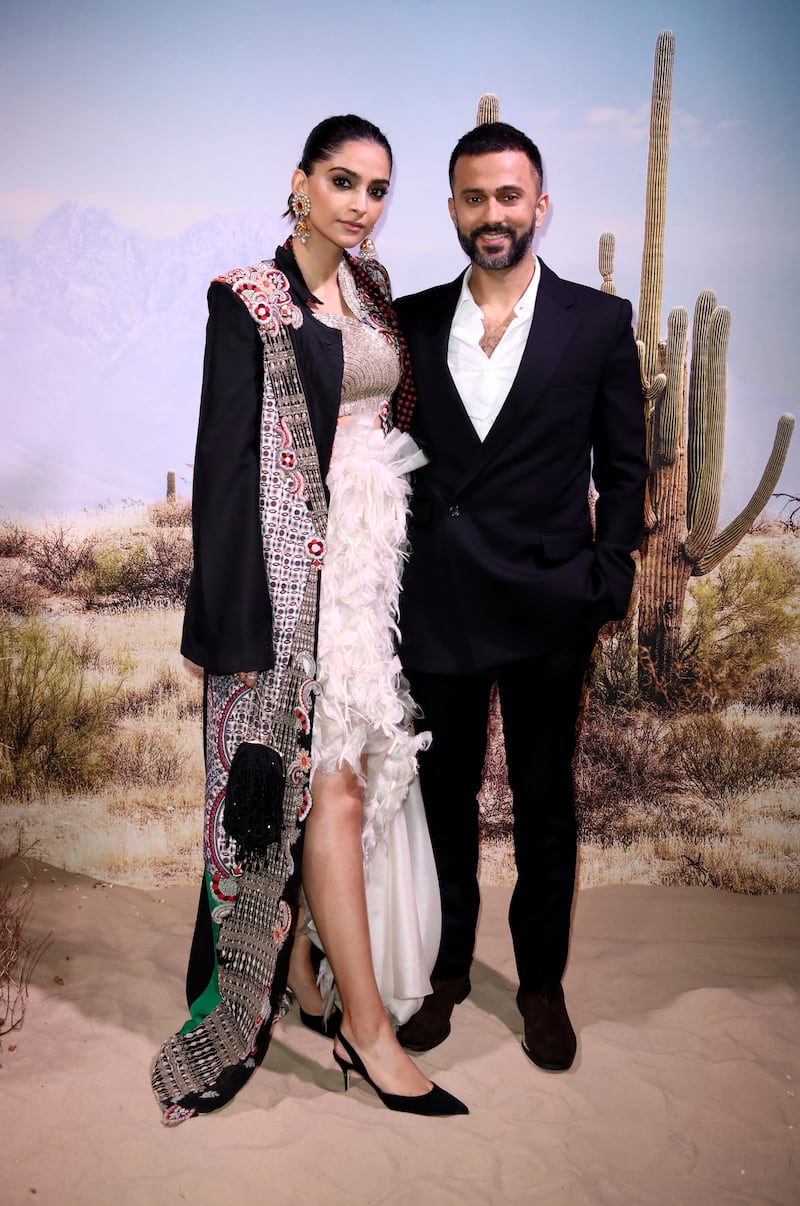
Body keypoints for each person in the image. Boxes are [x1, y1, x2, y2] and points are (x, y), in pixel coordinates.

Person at [151, 115, 467, 1124]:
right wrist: (243, 634)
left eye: (376, 188)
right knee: (320, 795)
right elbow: (223, 471)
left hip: (369, 577)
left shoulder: (369, 292)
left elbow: (398, 424)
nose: (360, 204)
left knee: (347, 787)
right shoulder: (247, 300)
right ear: (298, 182)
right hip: (293, 595)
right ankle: (364, 1032)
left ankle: (303, 974)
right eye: (341, 181)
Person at [392, 121, 648, 1071]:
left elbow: (627, 466)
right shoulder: (411, 323)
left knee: (544, 805)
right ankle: (448, 973)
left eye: (509, 197)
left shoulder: (597, 322)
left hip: (549, 606)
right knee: (443, 803)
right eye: (474, 197)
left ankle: (540, 985)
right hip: (441, 606)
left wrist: (606, 576)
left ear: (540, 206)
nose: (491, 214)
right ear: (453, 206)